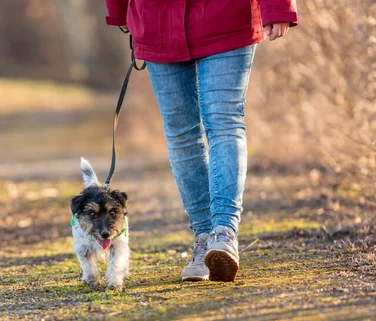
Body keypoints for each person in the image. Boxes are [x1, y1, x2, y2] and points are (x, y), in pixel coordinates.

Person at [104, 0, 298, 282]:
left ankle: (224, 234)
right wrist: (120, 10)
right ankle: (205, 238)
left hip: (225, 16)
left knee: (224, 122)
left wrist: (278, 7)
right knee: (181, 134)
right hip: (156, 21)